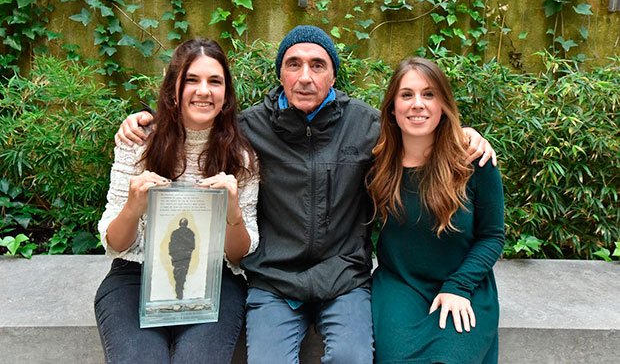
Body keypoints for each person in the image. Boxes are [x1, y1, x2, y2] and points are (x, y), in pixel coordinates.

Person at [116, 26, 496, 363]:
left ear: (333, 74)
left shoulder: (366, 125)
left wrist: (465, 134)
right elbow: (196, 117)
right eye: (293, 64)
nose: (305, 77)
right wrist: (143, 118)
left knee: (353, 357)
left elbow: (418, 126)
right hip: (275, 279)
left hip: (344, 278)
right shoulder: (248, 128)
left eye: (317, 65)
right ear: (280, 72)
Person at [94, 38, 259, 364]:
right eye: (191, 80)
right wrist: (133, 208)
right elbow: (114, 242)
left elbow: (239, 256)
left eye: (215, 81)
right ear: (173, 89)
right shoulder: (138, 142)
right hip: (134, 277)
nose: (204, 91)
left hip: (214, 280)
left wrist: (233, 213)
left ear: (226, 95)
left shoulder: (241, 157)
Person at [367, 57, 505, 363]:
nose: (418, 104)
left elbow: (493, 235)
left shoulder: (474, 161)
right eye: (407, 95)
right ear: (392, 107)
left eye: (429, 94)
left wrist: (459, 286)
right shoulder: (376, 164)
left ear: (443, 105)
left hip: (463, 285)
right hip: (400, 286)